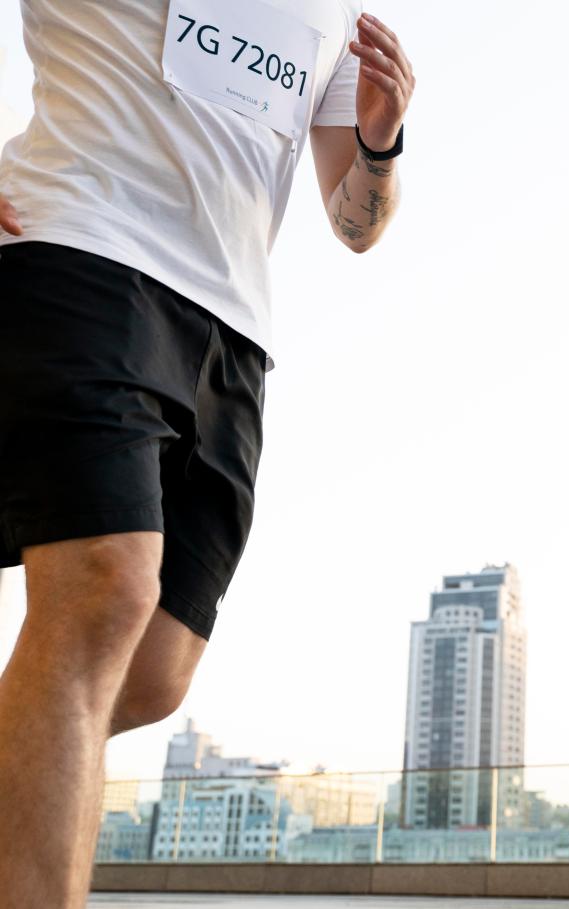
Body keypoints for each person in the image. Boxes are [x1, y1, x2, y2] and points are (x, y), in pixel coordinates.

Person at [0, 2, 414, 906]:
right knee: (106, 588)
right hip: (81, 248)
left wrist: (379, 142)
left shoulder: (334, 13)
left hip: (233, 331)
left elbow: (354, 223)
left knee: (150, 673)